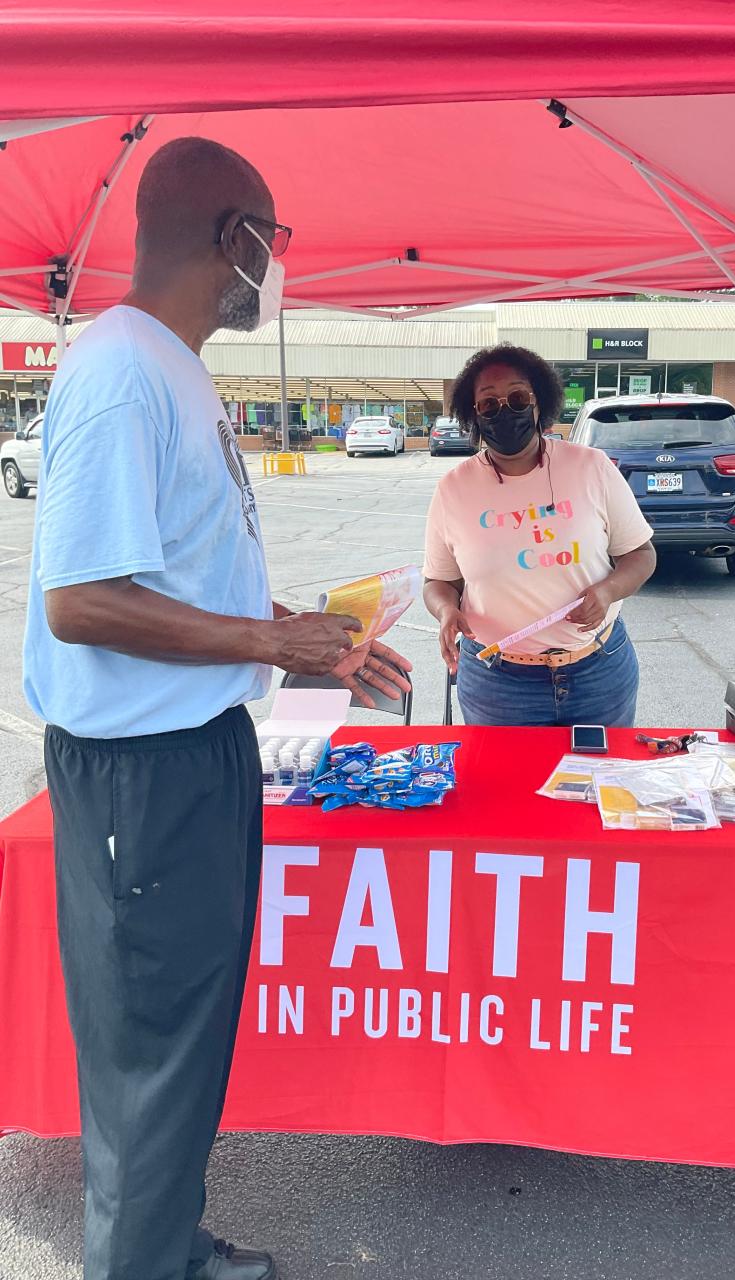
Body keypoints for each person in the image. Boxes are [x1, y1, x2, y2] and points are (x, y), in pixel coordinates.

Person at [23, 136, 411, 1280]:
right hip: (140, 778)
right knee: (150, 1049)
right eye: (273, 239)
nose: (276, 265)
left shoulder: (174, 366)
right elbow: (82, 600)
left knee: (183, 1042)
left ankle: (164, 1246)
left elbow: (173, 571)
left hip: (195, 752)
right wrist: (263, 641)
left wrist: (305, 634)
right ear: (230, 235)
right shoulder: (117, 371)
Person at [423, 344, 656, 726]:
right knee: (503, 785)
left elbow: (641, 554)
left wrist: (609, 590)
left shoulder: (590, 468)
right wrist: (446, 610)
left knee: (601, 781)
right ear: (474, 415)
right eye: (488, 404)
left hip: (599, 671)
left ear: (538, 404)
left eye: (517, 397)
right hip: (498, 684)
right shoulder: (453, 489)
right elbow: (439, 580)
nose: (505, 410)